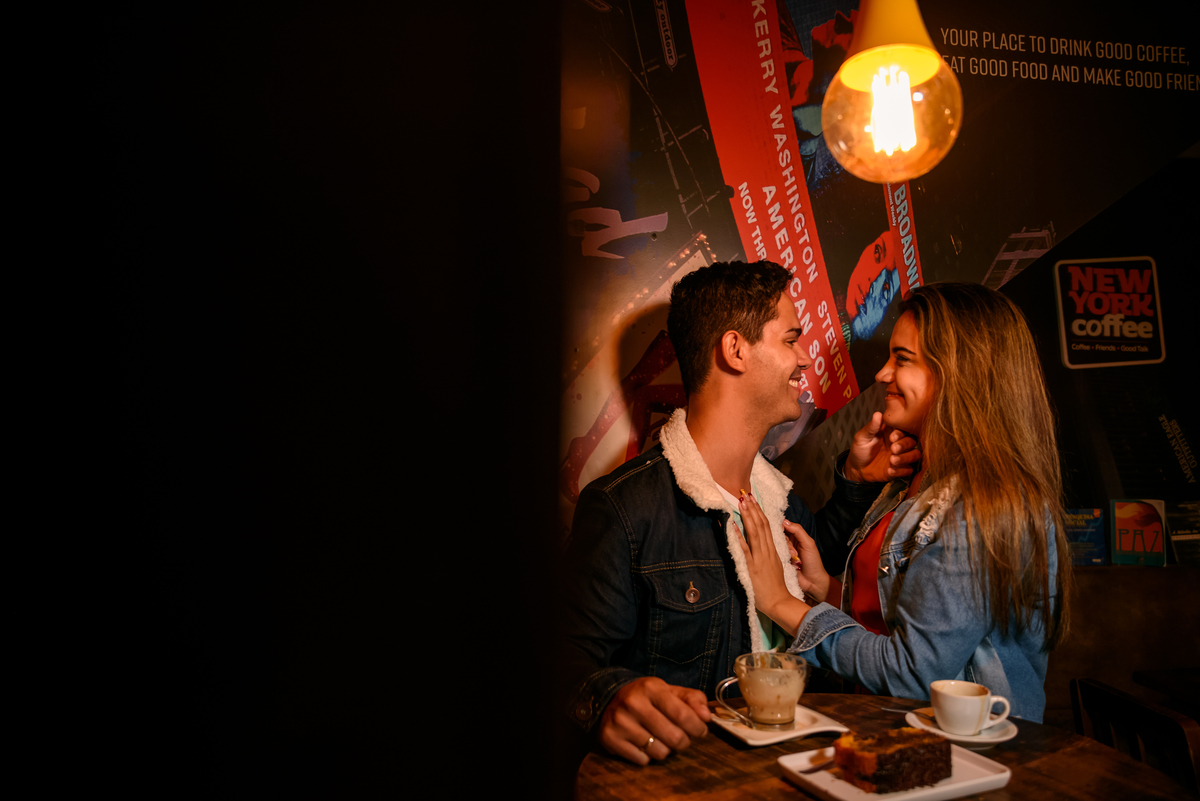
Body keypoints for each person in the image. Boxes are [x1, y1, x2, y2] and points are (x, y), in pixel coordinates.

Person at [559, 260, 921, 765]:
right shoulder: (624, 507)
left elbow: (815, 569)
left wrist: (857, 481)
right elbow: (567, 665)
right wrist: (609, 700)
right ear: (735, 350)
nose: (803, 360)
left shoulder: (779, 500)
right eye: (791, 339)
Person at [738, 282, 1071, 723]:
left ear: (959, 373)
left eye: (903, 359)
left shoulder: (983, 505)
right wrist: (827, 592)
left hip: (970, 765)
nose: (882, 374)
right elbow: (903, 623)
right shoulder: (911, 485)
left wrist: (781, 603)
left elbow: (914, 672)